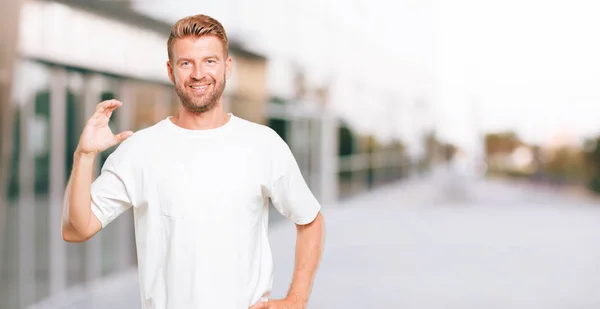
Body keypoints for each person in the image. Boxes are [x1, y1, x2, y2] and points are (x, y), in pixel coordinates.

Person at [61, 14, 325, 309]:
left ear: (227, 67)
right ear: (171, 71)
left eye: (210, 61)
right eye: (186, 63)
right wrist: (84, 156)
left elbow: (311, 220)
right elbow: (76, 229)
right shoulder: (140, 150)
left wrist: (296, 300)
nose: (199, 74)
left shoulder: (263, 144)